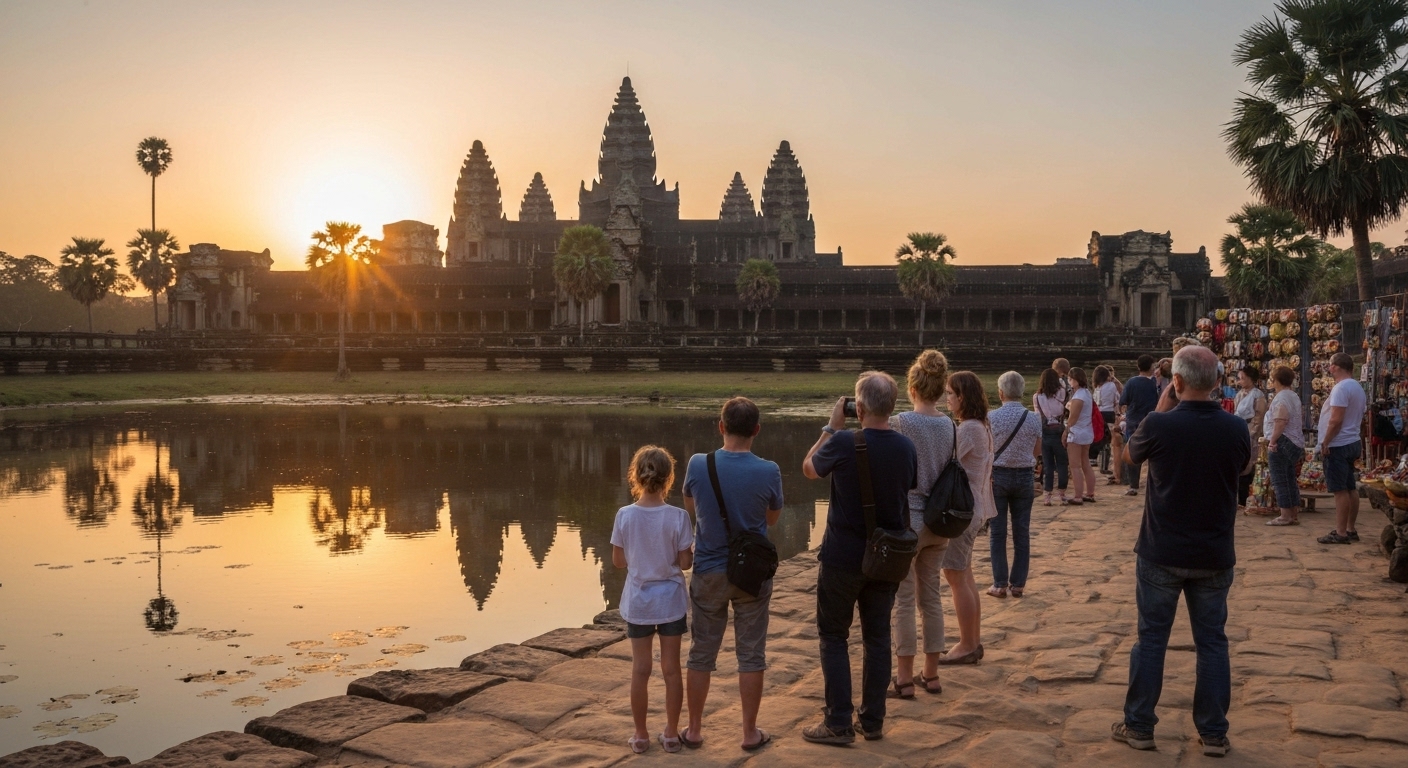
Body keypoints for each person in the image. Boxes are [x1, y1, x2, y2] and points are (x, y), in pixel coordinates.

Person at [1114, 345, 1249, 758]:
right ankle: (1212, 732)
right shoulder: (1235, 428)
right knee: (1212, 642)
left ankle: (1139, 725)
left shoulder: (1158, 424)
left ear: (1176, 381)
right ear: (1217, 383)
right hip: (1213, 552)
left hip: (1161, 550)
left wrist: (1162, 404)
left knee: (1151, 640)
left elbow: (1127, 459)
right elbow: (1244, 468)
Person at [801, 371, 917, 744]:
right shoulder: (905, 447)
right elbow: (908, 485)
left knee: (834, 635)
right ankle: (873, 720)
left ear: (858, 407)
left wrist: (831, 428)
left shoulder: (844, 442)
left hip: (842, 555)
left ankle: (837, 721)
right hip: (886, 558)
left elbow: (809, 468)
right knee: (878, 638)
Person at [680, 397, 783, 751]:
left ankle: (693, 730)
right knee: (751, 654)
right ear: (756, 430)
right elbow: (770, 520)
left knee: (701, 652)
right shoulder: (769, 469)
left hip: (708, 569)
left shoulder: (698, 464)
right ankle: (749, 733)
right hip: (751, 574)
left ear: (721, 427)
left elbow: (691, 508)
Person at [611, 446, 694, 754]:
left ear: (635, 476)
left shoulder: (625, 515)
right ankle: (671, 734)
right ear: (669, 478)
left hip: (639, 602)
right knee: (671, 669)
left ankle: (641, 735)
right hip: (670, 601)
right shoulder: (678, 517)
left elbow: (619, 562)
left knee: (640, 669)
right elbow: (685, 563)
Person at [887, 350, 954, 698]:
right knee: (931, 597)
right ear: (942, 389)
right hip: (939, 520)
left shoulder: (901, 423)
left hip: (909, 518)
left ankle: (903, 677)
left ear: (912, 388)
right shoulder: (949, 425)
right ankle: (932, 674)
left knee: (904, 598)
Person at [936, 371, 996, 666]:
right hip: (976, 507)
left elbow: (945, 462)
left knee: (956, 576)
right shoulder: (980, 425)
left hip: (963, 511)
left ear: (962, 397)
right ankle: (971, 639)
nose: (946, 398)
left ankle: (967, 643)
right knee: (965, 575)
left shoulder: (969, 429)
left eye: (949, 393)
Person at [987, 371, 1042, 599]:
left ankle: (999, 583)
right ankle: (1018, 583)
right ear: (1022, 392)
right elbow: (1037, 451)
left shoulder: (991, 417)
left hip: (998, 476)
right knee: (1022, 532)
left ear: (1001, 393)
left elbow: (987, 450)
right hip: (1024, 476)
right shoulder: (1034, 418)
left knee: (997, 532)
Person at [1316, 352, 1368, 545]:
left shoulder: (1340, 388)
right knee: (1349, 487)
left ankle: (1341, 532)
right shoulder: (1357, 388)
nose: (1329, 369)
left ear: (1336, 367)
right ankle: (1350, 528)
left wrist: (1326, 441)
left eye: (1330, 365)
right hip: (1352, 440)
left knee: (1340, 490)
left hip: (1339, 443)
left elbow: (1336, 419)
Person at [1264, 365, 1305, 526]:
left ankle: (1285, 515)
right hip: (1294, 441)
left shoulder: (1281, 398)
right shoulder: (1293, 395)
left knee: (1280, 477)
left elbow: (1281, 420)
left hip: (1283, 440)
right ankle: (1292, 513)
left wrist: (1273, 440)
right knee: (1289, 478)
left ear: (1276, 380)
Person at [1119, 355, 1160, 497]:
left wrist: (1122, 415)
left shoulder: (1132, 382)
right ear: (1151, 367)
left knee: (1133, 452)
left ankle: (1133, 485)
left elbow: (1123, 401)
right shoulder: (1155, 383)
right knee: (1154, 454)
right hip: (1151, 421)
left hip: (1133, 422)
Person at [1233, 367, 1268, 511]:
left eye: (1242, 378)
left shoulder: (1257, 395)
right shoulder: (1240, 394)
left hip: (1250, 432)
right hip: (1239, 429)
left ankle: (1245, 497)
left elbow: (1259, 416)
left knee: (1249, 464)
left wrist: (1252, 433)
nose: (1240, 381)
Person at [1035, 368, 1069, 506]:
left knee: (1048, 465)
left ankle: (1047, 495)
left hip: (1045, 431)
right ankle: (1062, 494)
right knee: (1062, 464)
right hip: (1060, 430)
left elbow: (1037, 417)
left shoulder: (1037, 396)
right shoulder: (1062, 393)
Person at [1064, 367, 1097, 505]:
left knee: (1075, 465)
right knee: (1085, 463)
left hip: (1076, 432)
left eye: (1070, 379)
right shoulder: (1087, 393)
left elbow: (1073, 418)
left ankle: (1078, 495)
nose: (1069, 381)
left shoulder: (1078, 397)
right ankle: (1089, 492)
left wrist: (1066, 431)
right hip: (1087, 431)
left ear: (1076, 380)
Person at [1094, 366, 1120, 475]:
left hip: (1099, 414)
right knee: (1108, 440)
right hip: (1109, 413)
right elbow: (1117, 399)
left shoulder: (1096, 389)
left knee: (1101, 438)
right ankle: (1104, 466)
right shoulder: (1111, 385)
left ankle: (1098, 461)